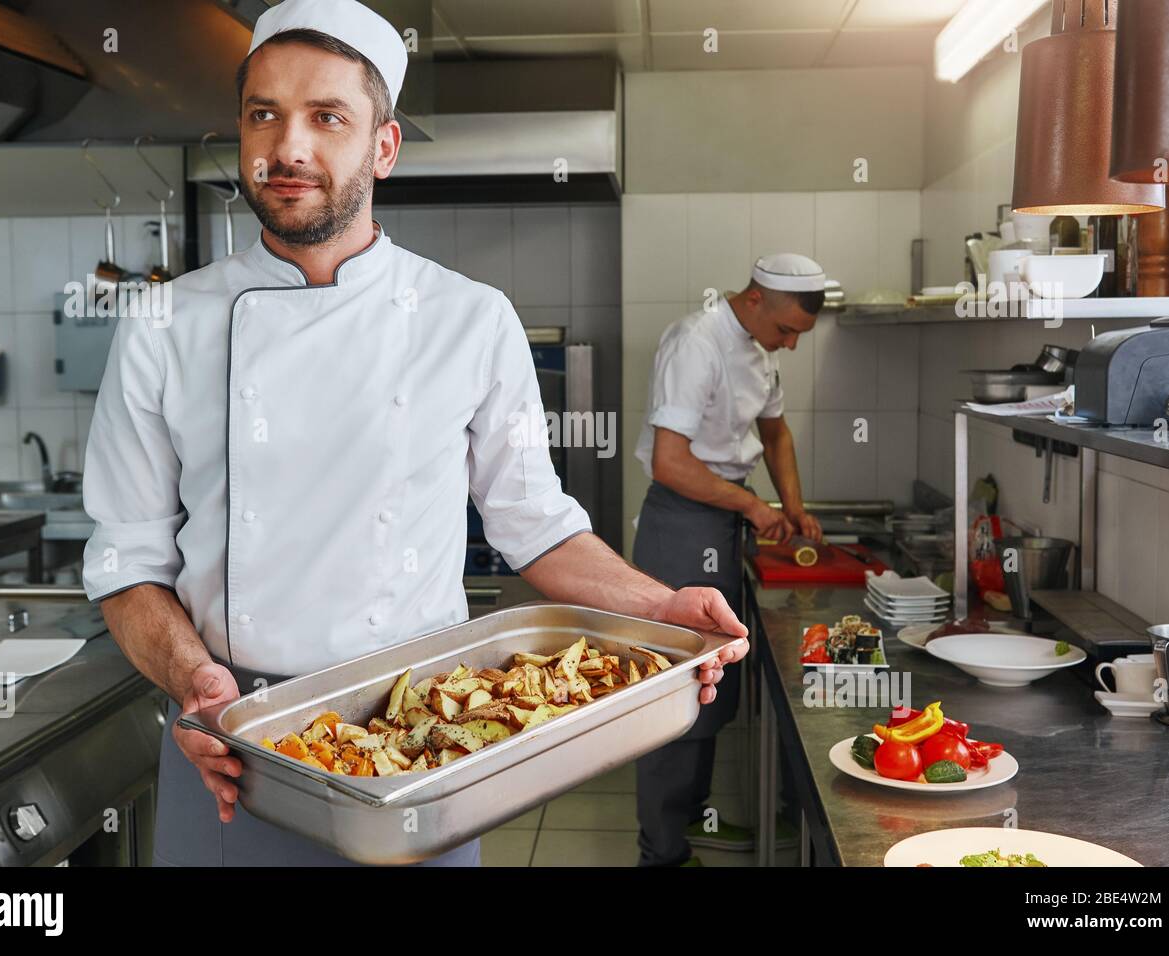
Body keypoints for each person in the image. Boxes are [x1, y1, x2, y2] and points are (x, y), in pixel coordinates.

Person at [81, 0, 747, 868]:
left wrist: (660, 607)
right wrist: (196, 684)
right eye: (263, 114)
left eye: (327, 118)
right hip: (232, 752)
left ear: (383, 149)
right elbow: (127, 563)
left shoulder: (469, 320)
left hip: (423, 752)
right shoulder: (162, 324)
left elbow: (534, 526)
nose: (288, 148)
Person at [630, 253, 825, 866]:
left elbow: (776, 434)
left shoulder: (760, 349)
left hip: (722, 519)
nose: (790, 346)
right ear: (753, 301)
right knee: (677, 684)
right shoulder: (697, 343)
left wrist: (791, 508)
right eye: (787, 331)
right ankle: (659, 850)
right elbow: (670, 461)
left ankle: (694, 819)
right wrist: (752, 504)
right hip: (682, 523)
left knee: (713, 679)